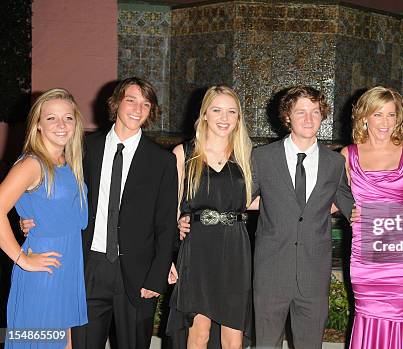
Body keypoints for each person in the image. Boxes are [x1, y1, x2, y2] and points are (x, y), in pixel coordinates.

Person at [21, 77, 178, 348]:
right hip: (86, 267)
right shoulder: (82, 149)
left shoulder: (162, 161)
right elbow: (50, 190)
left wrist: (157, 275)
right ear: (116, 103)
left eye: (145, 103)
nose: (137, 109)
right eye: (131, 100)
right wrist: (30, 217)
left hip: (138, 274)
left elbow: (166, 224)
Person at [251, 85, 353, 348]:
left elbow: (351, 205)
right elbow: (239, 198)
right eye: (301, 112)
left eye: (315, 112)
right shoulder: (262, 157)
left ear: (322, 116)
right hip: (270, 271)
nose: (309, 119)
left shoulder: (334, 162)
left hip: (314, 272)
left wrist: (394, 217)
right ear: (287, 117)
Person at [166, 85, 254, 349]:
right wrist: (169, 256)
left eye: (231, 112)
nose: (224, 118)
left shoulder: (247, 156)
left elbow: (261, 199)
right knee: (199, 332)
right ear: (204, 114)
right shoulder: (183, 154)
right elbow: (169, 210)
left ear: (239, 118)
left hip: (235, 247)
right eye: (217, 110)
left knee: (233, 336)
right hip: (197, 248)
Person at [0, 88, 88, 348]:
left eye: (68, 118)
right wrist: (22, 259)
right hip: (43, 270)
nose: (61, 125)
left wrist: (25, 217)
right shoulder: (32, 164)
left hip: (67, 266)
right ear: (38, 124)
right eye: (51, 118)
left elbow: (51, 209)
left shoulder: (66, 161)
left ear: (76, 122)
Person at [340, 86, 403, 348]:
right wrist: (347, 209)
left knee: (400, 317)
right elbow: (332, 196)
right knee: (366, 313)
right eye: (378, 114)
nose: (385, 122)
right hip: (366, 254)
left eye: (391, 114)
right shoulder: (348, 155)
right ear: (364, 117)